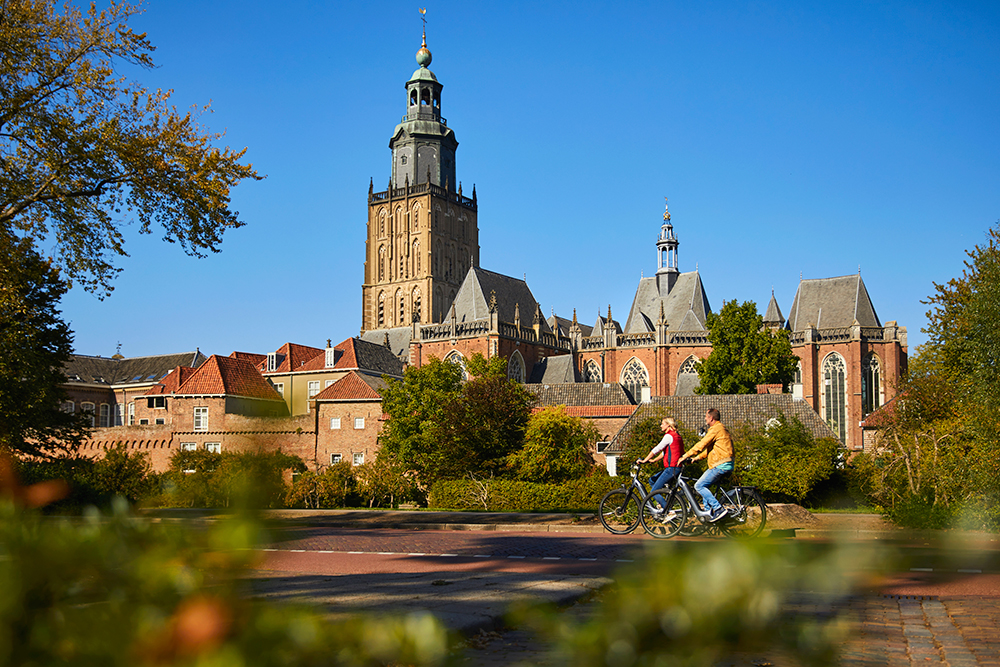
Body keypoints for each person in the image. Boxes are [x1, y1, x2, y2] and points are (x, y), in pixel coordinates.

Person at [677, 408, 734, 522]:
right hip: (725, 463)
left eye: (706, 417)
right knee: (705, 486)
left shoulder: (716, 429)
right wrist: (696, 458)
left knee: (699, 486)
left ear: (711, 418)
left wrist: (685, 456)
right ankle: (709, 515)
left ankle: (718, 509)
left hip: (721, 464)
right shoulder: (721, 428)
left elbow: (701, 444)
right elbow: (710, 450)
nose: (705, 419)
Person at [637, 417, 683, 513]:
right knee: (652, 480)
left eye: (662, 424)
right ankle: (662, 503)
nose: (661, 426)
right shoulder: (677, 436)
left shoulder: (669, 436)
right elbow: (665, 452)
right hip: (676, 468)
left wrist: (645, 460)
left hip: (671, 468)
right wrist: (654, 460)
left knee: (654, 492)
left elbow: (657, 449)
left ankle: (667, 511)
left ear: (668, 425)